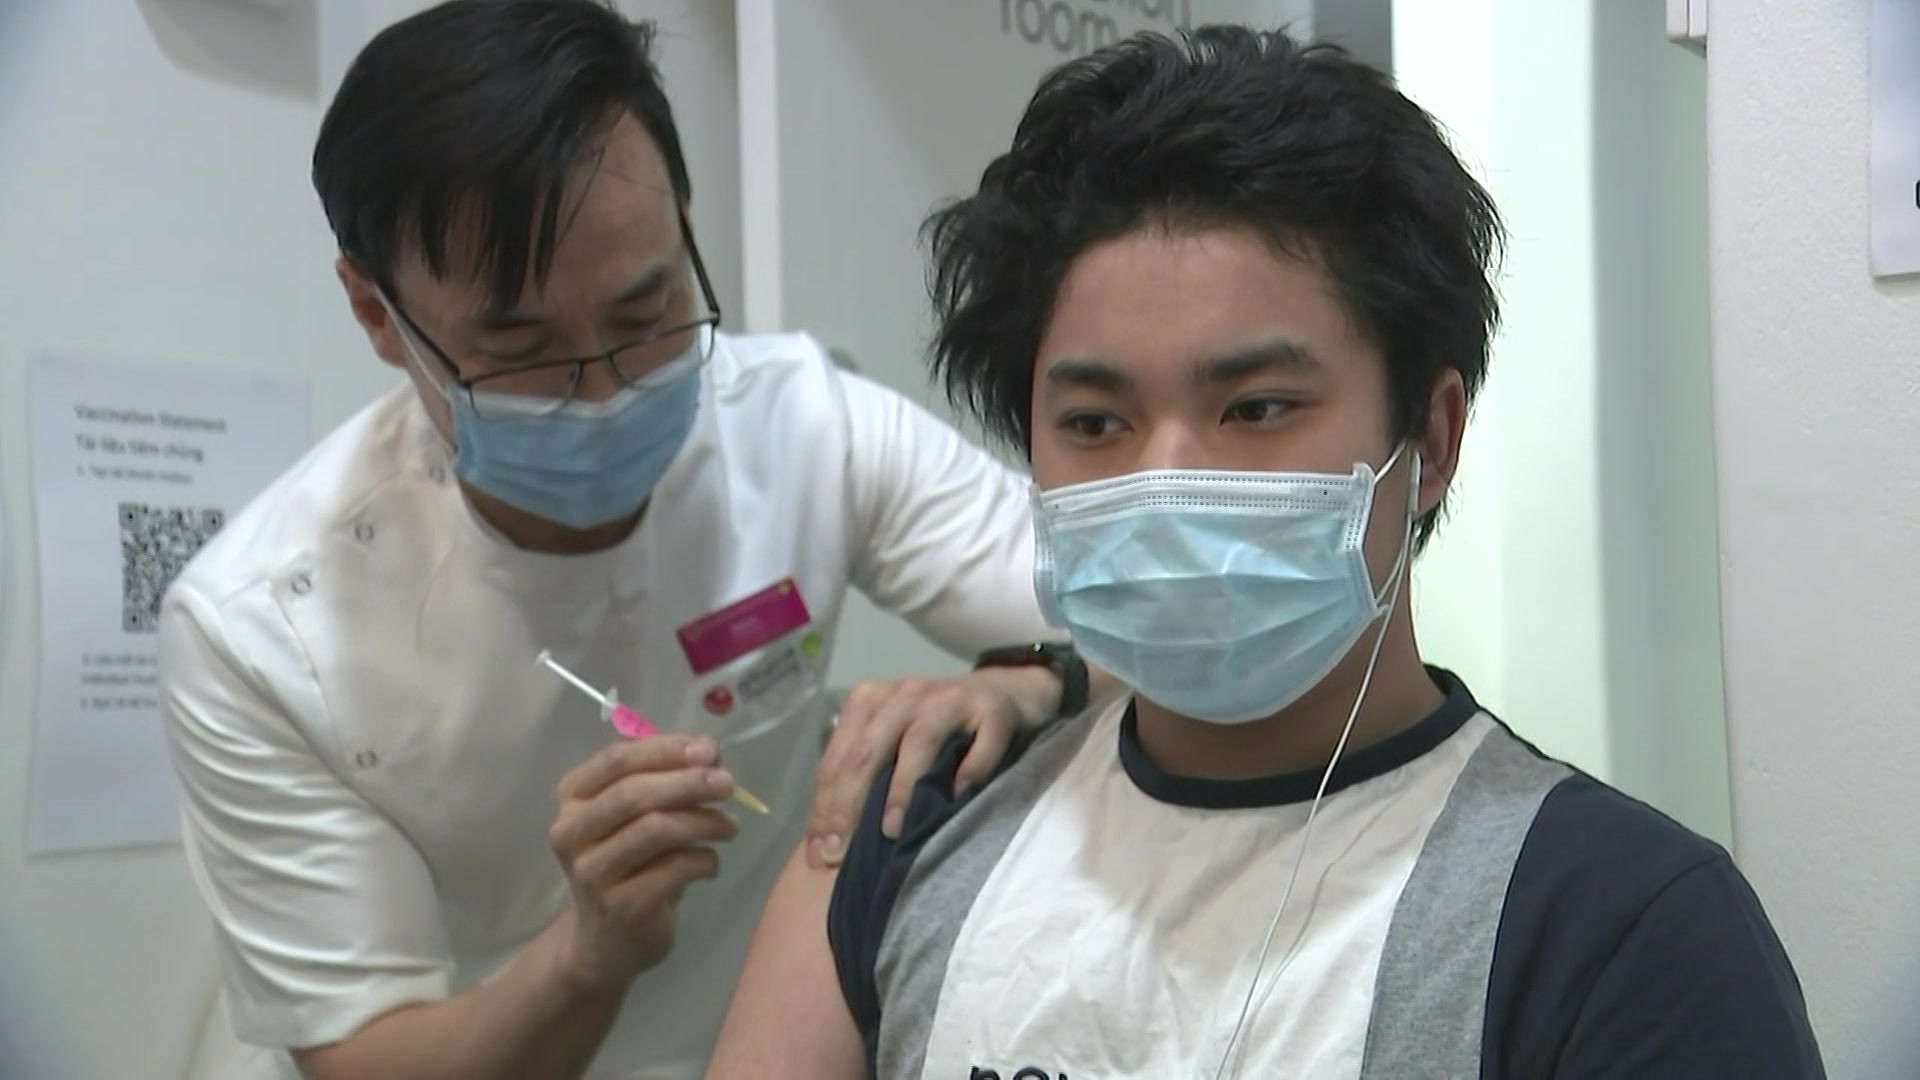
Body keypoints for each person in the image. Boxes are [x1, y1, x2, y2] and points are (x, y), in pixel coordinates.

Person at [708, 26, 1827, 1079]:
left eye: (1256, 407)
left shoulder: (1615, 927)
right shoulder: (923, 832)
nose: (1165, 481)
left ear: (1432, 440)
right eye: (1095, 422)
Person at [157, 1, 1096, 1076]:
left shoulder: (807, 426)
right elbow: (366, 1058)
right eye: (521, 347)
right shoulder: (261, 635)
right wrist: (587, 955)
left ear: (682, 225)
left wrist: (1036, 681)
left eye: (645, 313)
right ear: (378, 313)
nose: (603, 391)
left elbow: (1158, 609)